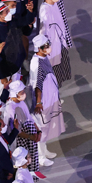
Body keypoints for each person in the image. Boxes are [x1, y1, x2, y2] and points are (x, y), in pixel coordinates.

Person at [30, 34, 65, 165]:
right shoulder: (37, 64)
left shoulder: (43, 58)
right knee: (41, 128)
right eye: (46, 46)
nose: (49, 47)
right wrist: (39, 102)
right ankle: (40, 157)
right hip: (43, 102)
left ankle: (44, 150)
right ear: (39, 48)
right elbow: (37, 85)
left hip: (49, 99)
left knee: (46, 127)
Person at [38, 0, 72, 84]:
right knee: (54, 70)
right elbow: (43, 31)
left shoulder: (54, 5)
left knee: (62, 64)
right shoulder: (45, 10)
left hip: (60, 42)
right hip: (53, 45)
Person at [5, 81, 42, 174]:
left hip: (30, 138)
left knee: (31, 159)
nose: (24, 94)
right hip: (21, 141)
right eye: (21, 92)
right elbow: (15, 130)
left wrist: (38, 131)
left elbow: (29, 118)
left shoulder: (21, 102)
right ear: (15, 93)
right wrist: (30, 137)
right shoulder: (10, 108)